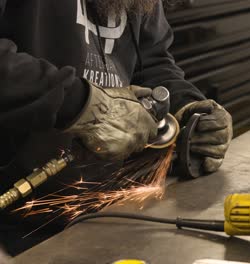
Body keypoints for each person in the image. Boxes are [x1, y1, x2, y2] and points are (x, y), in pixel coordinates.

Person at [0, 0, 233, 256]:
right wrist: (79, 103)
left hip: (107, 213)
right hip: (15, 223)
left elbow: (153, 61)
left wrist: (185, 107)